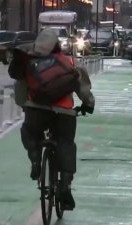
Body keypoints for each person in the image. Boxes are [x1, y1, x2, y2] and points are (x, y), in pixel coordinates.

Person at [8, 29, 95, 211]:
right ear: (57, 45)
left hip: (36, 111)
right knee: (66, 144)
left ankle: (35, 160)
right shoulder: (68, 62)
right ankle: (65, 187)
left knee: (29, 131)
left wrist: (25, 105)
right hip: (64, 114)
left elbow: (20, 90)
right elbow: (83, 89)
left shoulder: (30, 63)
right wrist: (88, 104)